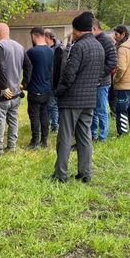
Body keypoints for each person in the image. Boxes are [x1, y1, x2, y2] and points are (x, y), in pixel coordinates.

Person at [51, 12, 104, 183]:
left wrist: (59, 91)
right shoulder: (99, 47)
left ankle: (60, 175)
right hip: (89, 100)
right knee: (85, 137)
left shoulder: (78, 47)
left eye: (73, 30)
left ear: (78, 30)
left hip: (72, 100)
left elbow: (69, 75)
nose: (72, 33)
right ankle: (85, 173)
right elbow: (100, 74)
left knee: (65, 138)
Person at [0, 23, 30, 155]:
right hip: (16, 93)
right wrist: (24, 84)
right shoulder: (19, 46)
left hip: (2, 93)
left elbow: (0, 67)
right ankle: (12, 146)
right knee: (13, 120)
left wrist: (3, 87)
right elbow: (29, 66)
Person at [24, 27, 53, 149]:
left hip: (34, 90)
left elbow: (26, 69)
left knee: (34, 116)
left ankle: (35, 141)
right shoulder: (51, 51)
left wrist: (24, 84)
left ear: (34, 36)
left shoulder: (32, 52)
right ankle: (44, 141)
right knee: (44, 115)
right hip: (47, 89)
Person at [91, 19, 117, 142]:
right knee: (93, 110)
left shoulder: (106, 41)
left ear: (94, 29)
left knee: (101, 110)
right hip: (93, 82)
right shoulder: (95, 40)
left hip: (102, 82)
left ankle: (102, 137)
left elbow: (112, 62)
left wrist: (99, 75)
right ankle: (92, 134)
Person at [112, 25, 130, 136]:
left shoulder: (122, 49)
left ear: (123, 34)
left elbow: (121, 68)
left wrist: (115, 79)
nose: (114, 37)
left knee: (121, 110)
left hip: (124, 84)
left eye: (116, 34)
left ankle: (122, 133)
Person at [44, 29, 62, 133]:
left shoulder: (59, 49)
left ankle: (55, 126)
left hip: (54, 81)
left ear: (47, 37)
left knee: (52, 104)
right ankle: (48, 123)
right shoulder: (46, 48)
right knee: (48, 104)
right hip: (46, 81)